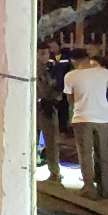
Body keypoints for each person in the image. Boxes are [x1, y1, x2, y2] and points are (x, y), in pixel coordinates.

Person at [63, 48, 108, 200]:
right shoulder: (104, 72)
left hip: (82, 117)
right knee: (103, 152)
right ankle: (105, 186)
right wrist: (104, 101)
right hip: (103, 117)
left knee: (85, 153)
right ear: (88, 58)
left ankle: (89, 187)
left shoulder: (70, 76)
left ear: (74, 61)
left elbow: (70, 99)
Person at [37, 42, 63, 181]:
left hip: (48, 106)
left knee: (51, 140)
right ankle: (53, 171)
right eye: (42, 53)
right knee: (47, 140)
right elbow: (45, 90)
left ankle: (54, 171)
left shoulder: (51, 67)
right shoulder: (35, 68)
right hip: (40, 106)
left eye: (47, 53)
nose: (45, 57)